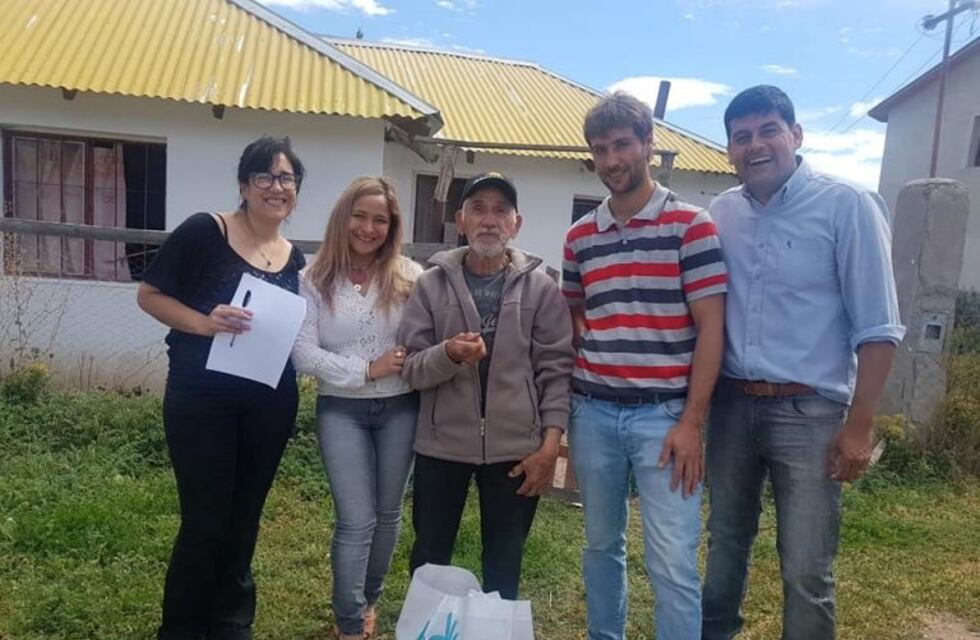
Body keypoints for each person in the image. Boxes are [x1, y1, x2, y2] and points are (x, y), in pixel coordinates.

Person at [701, 85, 905, 640]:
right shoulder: (720, 214)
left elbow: (879, 328)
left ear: (796, 135)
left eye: (769, 130)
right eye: (741, 137)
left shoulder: (847, 205)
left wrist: (859, 427)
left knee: (807, 567)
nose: (756, 145)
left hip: (810, 412)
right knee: (723, 549)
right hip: (732, 405)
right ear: (729, 150)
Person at [562, 92, 727, 640]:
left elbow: (711, 329)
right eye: (600, 149)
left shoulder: (691, 226)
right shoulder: (579, 237)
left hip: (666, 419)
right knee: (600, 546)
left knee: (673, 562)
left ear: (648, 145)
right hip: (595, 415)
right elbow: (576, 319)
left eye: (622, 145)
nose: (612, 160)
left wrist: (690, 423)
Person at [137, 136, 307, 640]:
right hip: (201, 398)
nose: (277, 187)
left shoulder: (294, 257)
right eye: (265, 176)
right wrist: (203, 322)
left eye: (287, 178)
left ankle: (232, 622)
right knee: (205, 518)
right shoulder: (205, 231)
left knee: (245, 517)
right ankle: (184, 627)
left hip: (269, 401)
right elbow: (149, 296)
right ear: (244, 185)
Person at [398, 172, 575, 599]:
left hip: (516, 449)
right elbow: (412, 367)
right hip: (442, 445)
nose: (489, 220)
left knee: (505, 561)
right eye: (478, 209)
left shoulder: (542, 288)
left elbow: (556, 369)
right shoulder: (430, 284)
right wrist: (450, 354)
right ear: (461, 220)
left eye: (501, 210)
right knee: (429, 558)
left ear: (517, 223)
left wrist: (549, 446)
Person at [291, 177, 422, 640]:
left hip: (401, 408)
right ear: (343, 217)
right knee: (355, 518)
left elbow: (427, 336)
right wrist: (368, 369)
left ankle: (368, 602)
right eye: (360, 216)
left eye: (379, 220)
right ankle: (348, 625)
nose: (368, 228)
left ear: (392, 227)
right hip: (341, 409)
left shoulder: (410, 275)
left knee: (387, 515)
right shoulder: (313, 279)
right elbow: (304, 355)